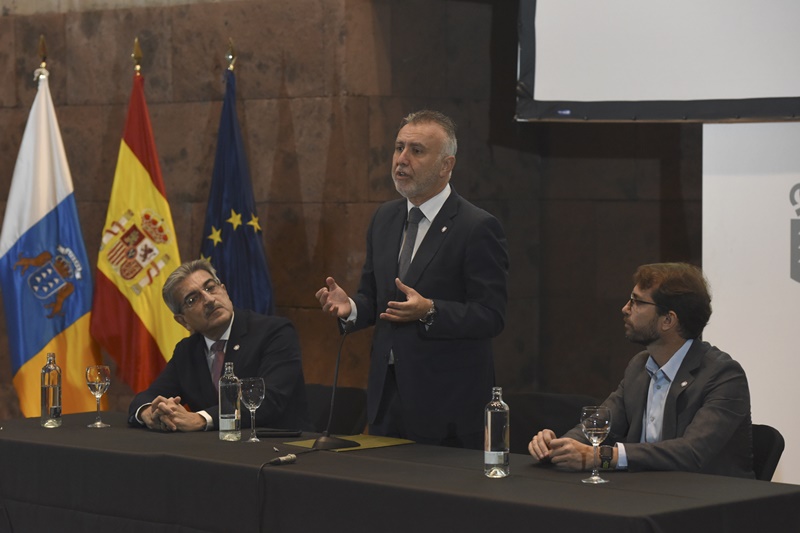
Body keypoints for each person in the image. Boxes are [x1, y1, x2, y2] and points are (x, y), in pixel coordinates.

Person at [315, 110, 509, 449]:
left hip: (447, 407)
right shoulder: (384, 218)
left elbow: (491, 316)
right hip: (386, 401)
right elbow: (375, 297)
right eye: (398, 147)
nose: (401, 159)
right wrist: (351, 309)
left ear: (446, 165)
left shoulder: (476, 227)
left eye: (416, 151)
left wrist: (431, 310)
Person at [528, 262, 754, 478]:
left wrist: (604, 457)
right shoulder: (639, 366)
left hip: (708, 498)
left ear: (668, 320)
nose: (625, 309)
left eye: (636, 302)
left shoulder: (723, 376)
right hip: (647, 493)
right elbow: (600, 425)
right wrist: (558, 447)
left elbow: (691, 452)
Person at [128, 259, 313, 432]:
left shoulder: (275, 332)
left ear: (224, 290)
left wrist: (201, 419)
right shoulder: (187, 350)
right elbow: (151, 395)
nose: (209, 300)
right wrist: (149, 412)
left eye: (210, 288)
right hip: (216, 449)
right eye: (192, 299)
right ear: (183, 321)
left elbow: (269, 401)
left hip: (278, 445)